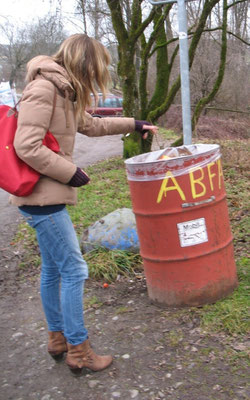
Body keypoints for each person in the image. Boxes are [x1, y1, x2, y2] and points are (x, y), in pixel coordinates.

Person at [10, 34, 158, 376]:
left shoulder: (63, 90)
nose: (97, 76)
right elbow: (26, 145)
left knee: (53, 269)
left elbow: (90, 124)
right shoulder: (45, 89)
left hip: (43, 195)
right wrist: (70, 171)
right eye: (96, 68)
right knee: (75, 269)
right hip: (41, 196)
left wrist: (133, 124)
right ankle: (79, 350)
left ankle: (58, 340)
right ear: (83, 63)